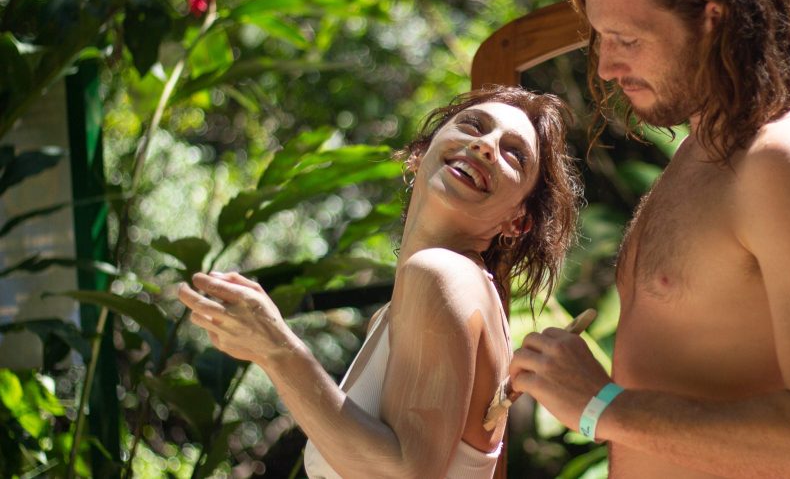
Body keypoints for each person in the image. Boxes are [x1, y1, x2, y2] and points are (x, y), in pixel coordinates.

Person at [509, 0, 790, 477]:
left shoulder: (788, 160)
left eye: (628, 40)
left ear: (713, 17)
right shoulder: (699, 154)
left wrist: (601, 407)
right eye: (601, 37)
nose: (607, 66)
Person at [178, 85, 581, 478]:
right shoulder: (424, 300)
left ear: (518, 221)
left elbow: (406, 472)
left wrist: (278, 351)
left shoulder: (444, 276)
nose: (485, 146)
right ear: (421, 152)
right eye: (474, 127)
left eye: (513, 155)